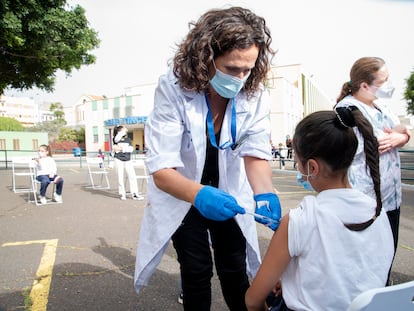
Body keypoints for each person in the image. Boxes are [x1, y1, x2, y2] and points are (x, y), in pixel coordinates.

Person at [134, 7, 281, 310]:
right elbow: (162, 169)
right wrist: (198, 194)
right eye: (231, 68)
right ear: (205, 58)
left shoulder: (254, 94)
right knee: (196, 270)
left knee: (234, 267)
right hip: (184, 193)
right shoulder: (173, 90)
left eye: (248, 69)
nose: (241, 78)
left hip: (230, 195)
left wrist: (264, 192)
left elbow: (255, 151)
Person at [245, 108, 394, 311]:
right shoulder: (378, 212)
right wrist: (290, 278)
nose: (298, 167)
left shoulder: (300, 219)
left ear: (312, 168)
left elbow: (253, 300)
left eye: (297, 161)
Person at [335, 57, 410, 257]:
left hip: (391, 199)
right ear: (365, 85)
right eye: (384, 81)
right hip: (367, 201)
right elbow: (346, 151)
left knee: (388, 256)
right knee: (369, 261)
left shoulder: (382, 107)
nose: (389, 85)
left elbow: (402, 131)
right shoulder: (346, 112)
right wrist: (387, 138)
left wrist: (400, 137)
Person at [112, 125, 144, 201]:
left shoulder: (128, 139)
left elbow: (131, 149)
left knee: (132, 176)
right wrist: (120, 131)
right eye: (123, 129)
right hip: (118, 159)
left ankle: (135, 193)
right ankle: (122, 194)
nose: (125, 130)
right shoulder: (116, 139)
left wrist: (121, 148)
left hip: (128, 160)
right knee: (120, 177)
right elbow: (116, 141)